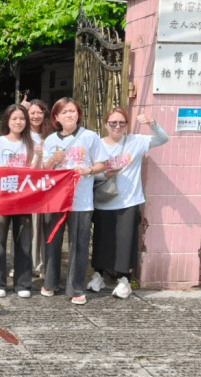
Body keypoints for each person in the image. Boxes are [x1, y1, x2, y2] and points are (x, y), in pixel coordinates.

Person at [88, 108, 169, 299]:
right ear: (106, 124)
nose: (117, 126)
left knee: (126, 242)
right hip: (103, 201)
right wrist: (105, 174)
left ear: (127, 125)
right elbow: (90, 173)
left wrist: (151, 123)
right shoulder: (97, 145)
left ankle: (125, 280)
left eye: (122, 123)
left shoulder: (136, 141)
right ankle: (98, 275)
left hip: (129, 201)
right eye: (113, 123)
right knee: (101, 240)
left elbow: (163, 139)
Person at [41, 97, 108, 305]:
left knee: (79, 244)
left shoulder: (90, 137)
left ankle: (76, 288)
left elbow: (103, 164)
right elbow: (43, 170)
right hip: (55, 199)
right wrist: (53, 160)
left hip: (81, 200)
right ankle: (50, 283)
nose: (69, 115)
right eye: (64, 112)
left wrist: (87, 170)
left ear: (78, 114)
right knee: (52, 241)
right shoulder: (50, 140)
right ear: (56, 117)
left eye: (72, 111)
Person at [0, 104, 38, 298]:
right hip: (2, 198)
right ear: (7, 120)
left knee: (23, 241)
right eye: (14, 118)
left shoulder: (33, 142)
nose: (18, 122)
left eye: (22, 118)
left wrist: (39, 156)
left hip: (25, 199)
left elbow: (37, 172)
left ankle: (23, 284)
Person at [26, 99, 54, 277]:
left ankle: (41, 265)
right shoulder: (23, 134)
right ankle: (26, 264)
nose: (36, 116)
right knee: (28, 227)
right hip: (28, 186)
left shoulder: (51, 135)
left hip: (47, 186)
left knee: (44, 226)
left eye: (39, 112)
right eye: (32, 113)